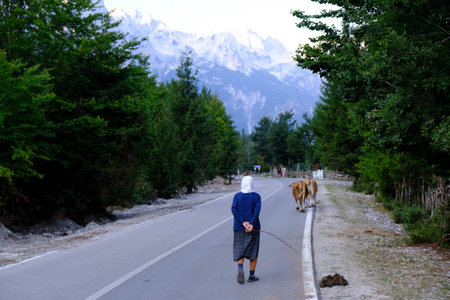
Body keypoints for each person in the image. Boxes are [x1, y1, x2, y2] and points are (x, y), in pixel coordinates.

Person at [231, 173, 262, 284]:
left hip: (239, 227)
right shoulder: (256, 196)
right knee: (253, 251)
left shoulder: (237, 196)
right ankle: (252, 275)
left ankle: (240, 268)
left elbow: (234, 209)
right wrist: (251, 224)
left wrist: (243, 222)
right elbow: (257, 211)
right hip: (254, 228)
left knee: (240, 250)